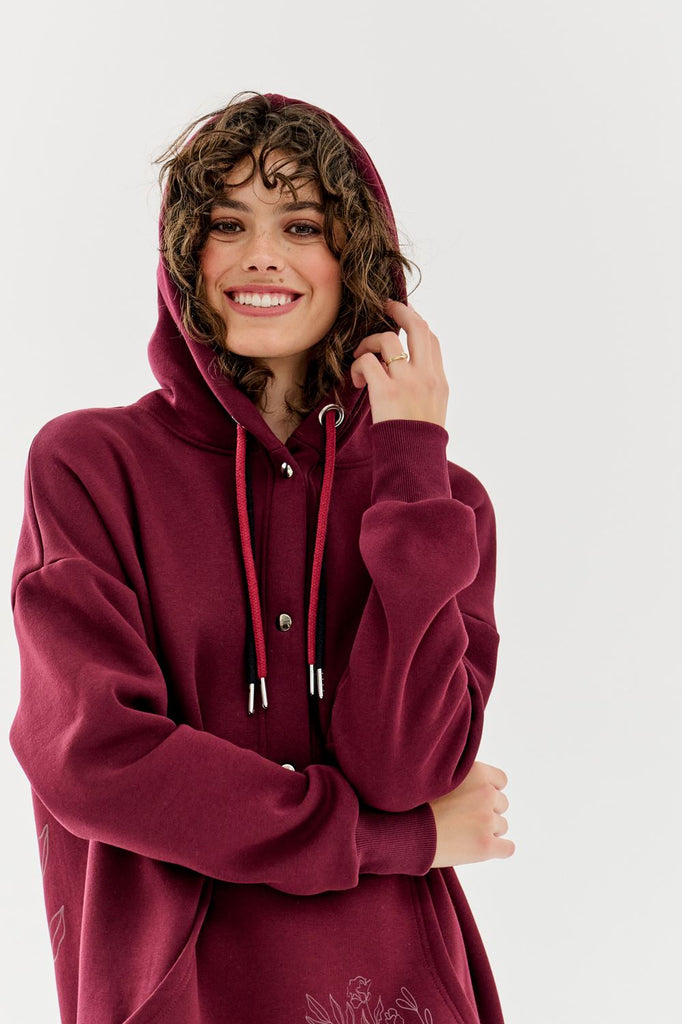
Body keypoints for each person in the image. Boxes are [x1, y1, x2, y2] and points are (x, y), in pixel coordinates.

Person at [8, 90, 515, 1024]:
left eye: (303, 225)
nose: (262, 255)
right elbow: (96, 759)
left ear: (358, 261)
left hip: (398, 985)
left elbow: (405, 771)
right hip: (178, 996)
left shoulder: (444, 506)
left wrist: (411, 463)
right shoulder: (90, 467)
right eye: (227, 223)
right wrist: (395, 841)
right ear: (184, 254)